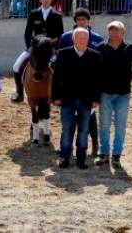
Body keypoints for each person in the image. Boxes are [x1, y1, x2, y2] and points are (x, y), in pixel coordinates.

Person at [94, 21, 132, 168]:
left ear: (123, 33)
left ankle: (116, 156)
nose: (114, 33)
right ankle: (104, 154)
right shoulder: (100, 48)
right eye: (112, 30)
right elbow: (93, 69)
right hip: (105, 93)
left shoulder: (130, 49)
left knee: (120, 126)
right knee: (104, 125)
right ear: (108, 32)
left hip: (123, 94)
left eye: (117, 30)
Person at [52, 28, 102, 169]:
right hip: (67, 99)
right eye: (80, 38)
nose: (83, 41)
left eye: (85, 39)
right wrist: (55, 97)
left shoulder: (95, 55)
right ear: (74, 39)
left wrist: (96, 99)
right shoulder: (62, 54)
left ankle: (81, 159)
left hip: (86, 101)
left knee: (84, 130)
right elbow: (56, 78)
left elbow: (98, 80)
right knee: (67, 130)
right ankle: (64, 157)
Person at [11, 0, 64, 103]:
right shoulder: (34, 13)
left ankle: (58, 93)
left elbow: (60, 34)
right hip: (35, 48)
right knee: (16, 66)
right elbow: (27, 33)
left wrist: (55, 49)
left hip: (50, 49)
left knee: (61, 68)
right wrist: (29, 47)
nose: (45, 0)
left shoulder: (57, 15)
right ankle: (19, 93)